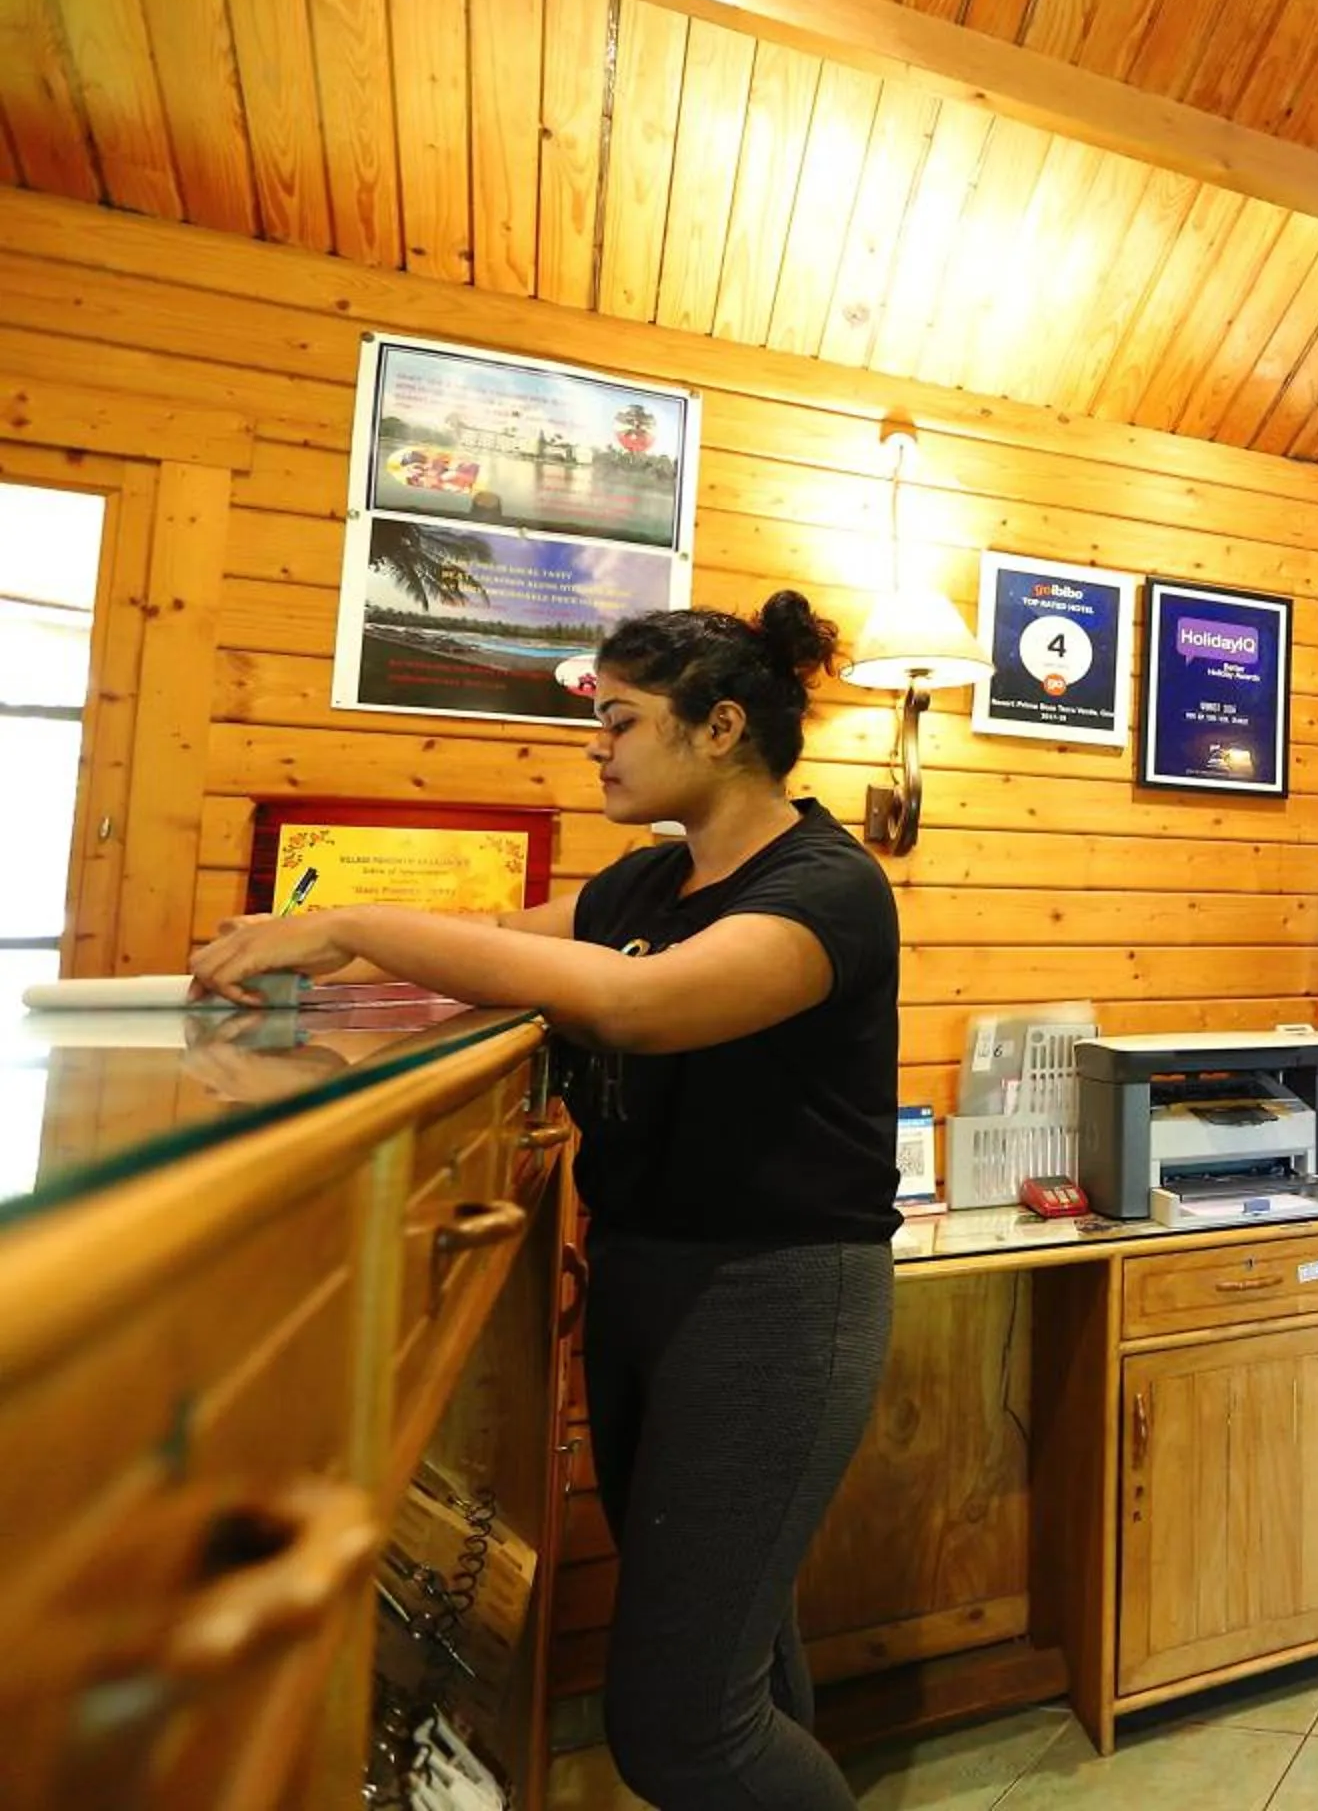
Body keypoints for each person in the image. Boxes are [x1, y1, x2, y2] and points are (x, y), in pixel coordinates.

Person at [192, 592, 898, 1811]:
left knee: (683, 1728)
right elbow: (502, 946)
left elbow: (641, 1005)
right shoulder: (639, 886)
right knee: (744, 1660)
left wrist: (355, 920)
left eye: (621, 718)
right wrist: (308, 951)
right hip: (644, 1279)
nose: (596, 744)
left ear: (721, 725)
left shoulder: (826, 887)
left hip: (779, 1296)